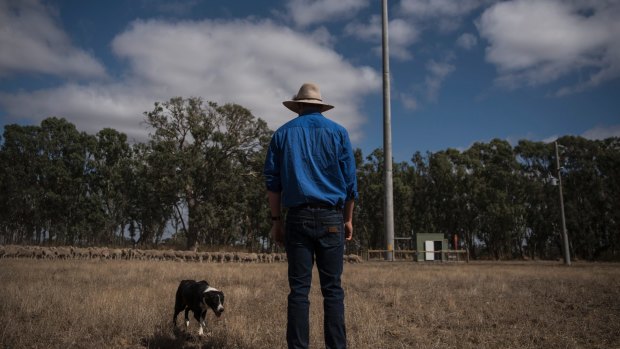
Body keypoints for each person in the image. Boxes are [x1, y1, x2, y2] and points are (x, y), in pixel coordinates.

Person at [264, 82, 358, 349]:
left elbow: (273, 184)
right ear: (319, 105)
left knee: (299, 292)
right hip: (332, 218)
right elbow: (350, 184)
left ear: (298, 106)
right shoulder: (339, 133)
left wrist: (276, 222)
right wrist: (347, 219)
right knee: (333, 290)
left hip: (297, 217)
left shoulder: (283, 134)